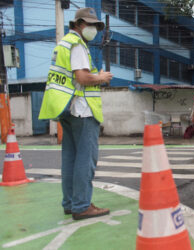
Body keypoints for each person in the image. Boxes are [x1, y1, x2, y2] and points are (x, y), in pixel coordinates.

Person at [39, 8, 113, 220]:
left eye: (96, 26)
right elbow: (81, 77)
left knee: (70, 158)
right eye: (91, 25)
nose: (94, 30)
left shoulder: (62, 44)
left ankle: (71, 203)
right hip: (82, 109)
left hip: (66, 109)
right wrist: (101, 77)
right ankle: (81, 205)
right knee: (85, 159)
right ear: (79, 24)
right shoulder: (77, 45)